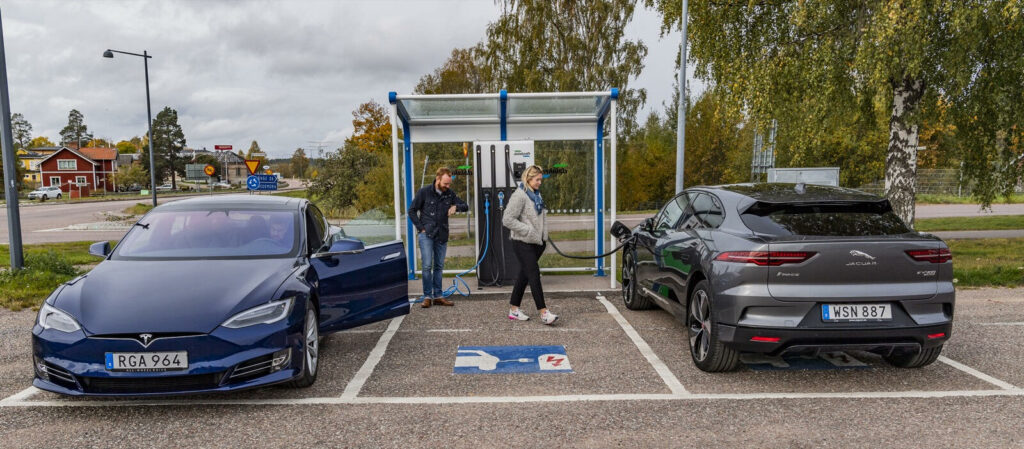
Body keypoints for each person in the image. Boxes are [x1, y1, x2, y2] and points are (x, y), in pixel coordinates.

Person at [501, 165, 558, 325]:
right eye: (537, 179)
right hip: (522, 242)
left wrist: (543, 237)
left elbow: (540, 218)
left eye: (541, 179)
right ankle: (544, 312)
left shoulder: (536, 195)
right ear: (528, 178)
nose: (540, 182)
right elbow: (507, 219)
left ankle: (514, 310)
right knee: (534, 274)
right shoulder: (519, 196)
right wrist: (527, 230)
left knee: (524, 275)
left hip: (536, 243)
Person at [409, 167, 469, 308]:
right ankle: (427, 296)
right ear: (438, 179)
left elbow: (465, 205)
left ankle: (438, 296)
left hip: (442, 234)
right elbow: (411, 211)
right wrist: (420, 228)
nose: (447, 187)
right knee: (427, 265)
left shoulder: (449, 194)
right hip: (427, 234)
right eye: (445, 184)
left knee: (439, 266)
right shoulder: (424, 192)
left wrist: (456, 207)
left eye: (449, 184)